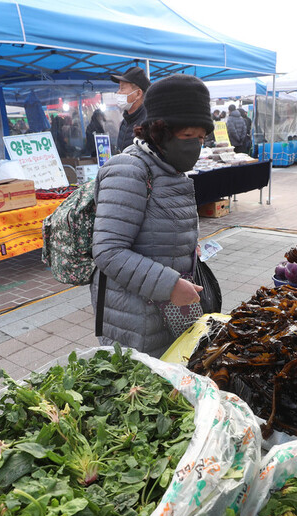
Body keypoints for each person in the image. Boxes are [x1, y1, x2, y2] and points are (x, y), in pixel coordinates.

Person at [91, 74, 213, 357]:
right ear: (160, 131)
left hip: (166, 308)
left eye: (200, 138)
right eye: (187, 136)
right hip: (134, 315)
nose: (194, 145)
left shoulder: (170, 168)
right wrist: (170, 285)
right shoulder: (129, 170)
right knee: (144, 386)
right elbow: (108, 251)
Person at [109, 66, 150, 152]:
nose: (118, 92)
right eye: (119, 88)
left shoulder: (148, 124)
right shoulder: (125, 122)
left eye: (122, 88)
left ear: (138, 94)